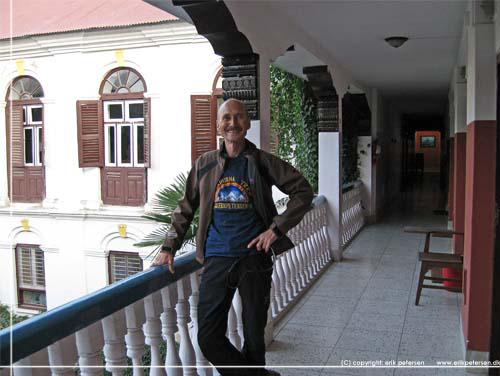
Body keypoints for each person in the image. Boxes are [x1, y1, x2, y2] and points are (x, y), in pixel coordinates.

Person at [152, 98, 313, 376]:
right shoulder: (204, 164)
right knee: (208, 338)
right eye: (226, 117)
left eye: (239, 118)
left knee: (253, 338)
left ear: (248, 124)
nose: (232, 123)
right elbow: (185, 208)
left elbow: (303, 192)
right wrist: (169, 247)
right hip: (216, 258)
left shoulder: (263, 162)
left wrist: (275, 230)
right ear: (218, 124)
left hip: (254, 261)